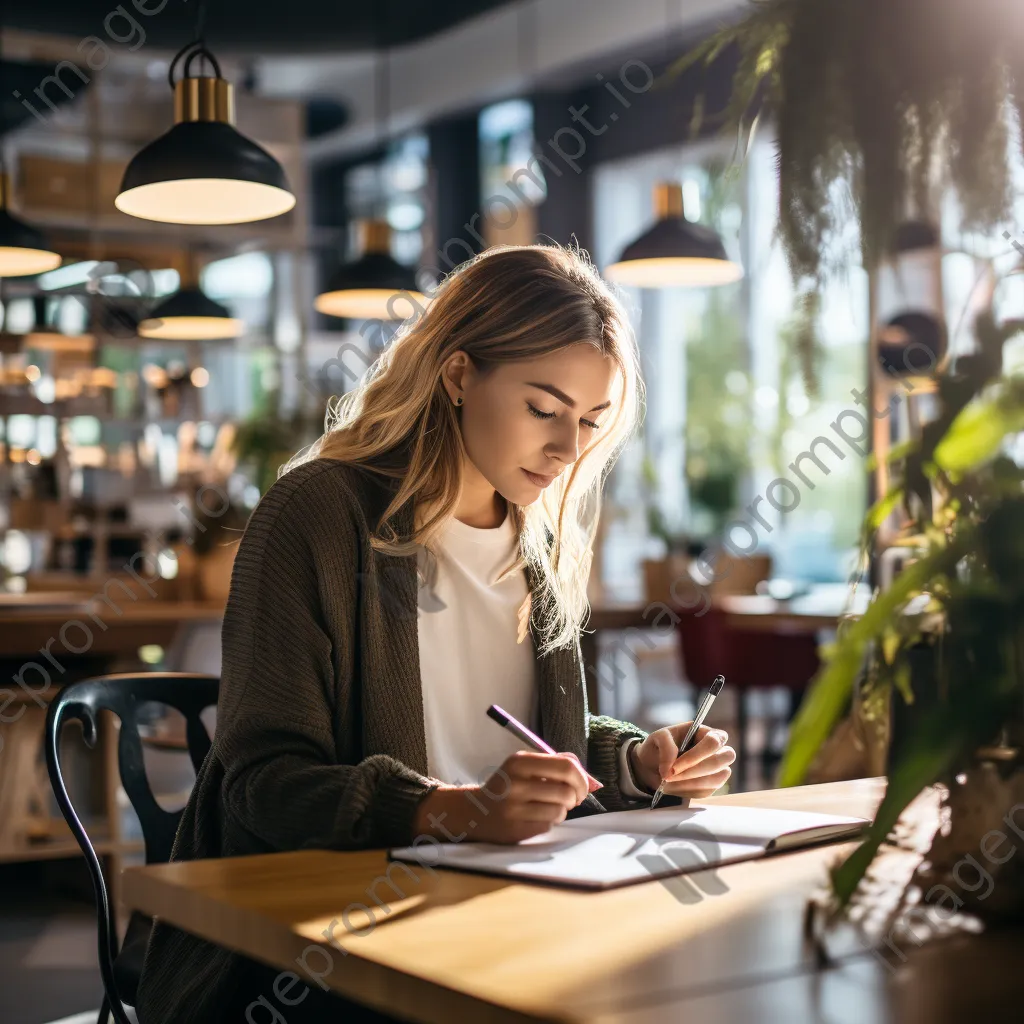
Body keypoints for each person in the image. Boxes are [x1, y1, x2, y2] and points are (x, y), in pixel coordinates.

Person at [136, 243, 736, 1023]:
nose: (568, 450)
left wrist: (633, 759)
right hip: (327, 938)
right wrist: (449, 810)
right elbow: (264, 782)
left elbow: (510, 731)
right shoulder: (319, 514)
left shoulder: (536, 543)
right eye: (543, 409)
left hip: (506, 904)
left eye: (590, 422)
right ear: (458, 375)